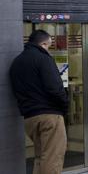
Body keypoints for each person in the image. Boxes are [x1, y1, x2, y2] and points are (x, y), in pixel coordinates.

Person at [10, 30, 69, 174]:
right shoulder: (44, 59)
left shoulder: (17, 62)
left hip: (30, 117)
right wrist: (65, 106)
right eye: (48, 45)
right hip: (49, 116)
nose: (48, 49)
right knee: (52, 158)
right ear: (43, 44)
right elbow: (55, 88)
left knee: (41, 157)